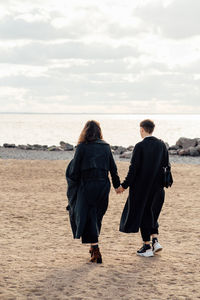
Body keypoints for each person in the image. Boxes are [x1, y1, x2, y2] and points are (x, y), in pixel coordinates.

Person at [66, 120, 120, 263]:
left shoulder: (82, 147)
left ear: (85, 131)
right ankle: (93, 246)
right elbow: (113, 169)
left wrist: (73, 185)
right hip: (103, 186)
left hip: (87, 185)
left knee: (87, 215)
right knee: (96, 216)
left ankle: (96, 250)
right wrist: (117, 186)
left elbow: (74, 170)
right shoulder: (106, 147)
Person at [117, 119, 170, 257]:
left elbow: (133, 170)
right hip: (158, 188)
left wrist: (123, 186)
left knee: (142, 214)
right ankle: (155, 241)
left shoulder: (139, 146)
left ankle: (147, 246)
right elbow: (166, 166)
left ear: (142, 129)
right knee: (151, 213)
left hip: (141, 188)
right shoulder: (162, 145)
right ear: (152, 129)